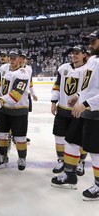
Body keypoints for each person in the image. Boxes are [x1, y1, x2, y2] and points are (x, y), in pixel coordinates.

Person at [52, 30, 99, 201]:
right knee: (70, 141)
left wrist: (86, 103)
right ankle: (70, 175)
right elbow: (89, 87)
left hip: (96, 112)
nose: (90, 44)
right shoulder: (93, 60)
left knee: (96, 151)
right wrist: (79, 95)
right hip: (85, 109)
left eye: (93, 41)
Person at [50, 45, 88, 177]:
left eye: (77, 53)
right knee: (59, 137)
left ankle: (81, 162)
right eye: (73, 53)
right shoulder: (63, 68)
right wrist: (54, 102)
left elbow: (90, 89)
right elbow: (57, 86)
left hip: (80, 111)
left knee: (80, 139)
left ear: (84, 54)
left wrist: (78, 96)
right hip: (62, 110)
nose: (74, 55)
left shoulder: (88, 69)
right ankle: (61, 160)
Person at [0, 49, 30, 171]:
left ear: (20, 59)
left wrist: (0, 100)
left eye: (15, 57)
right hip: (4, 110)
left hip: (19, 110)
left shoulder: (23, 73)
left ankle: (22, 158)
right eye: (10, 57)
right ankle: (3, 156)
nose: (12, 60)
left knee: (19, 137)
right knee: (1, 134)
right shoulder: (3, 69)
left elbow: (16, 95)